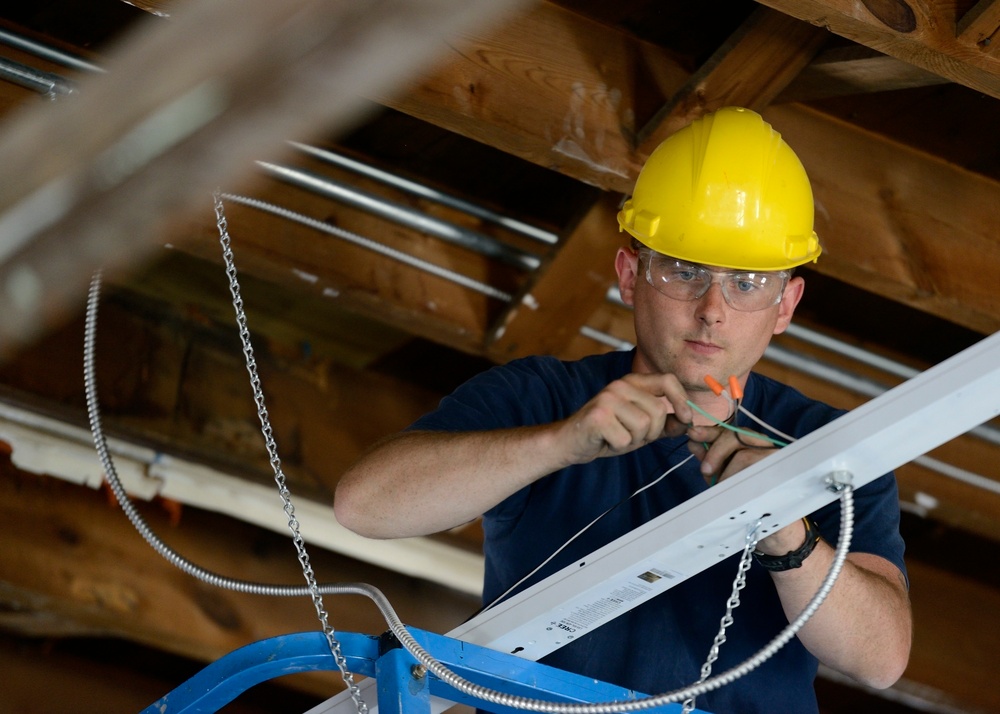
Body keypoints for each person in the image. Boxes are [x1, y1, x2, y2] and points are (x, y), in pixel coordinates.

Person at [334, 106, 911, 713]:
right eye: (685, 270)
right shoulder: (541, 398)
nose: (712, 308)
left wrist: (784, 529)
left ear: (786, 304)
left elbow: (880, 658)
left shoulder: (829, 447)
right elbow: (364, 505)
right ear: (630, 275)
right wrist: (561, 444)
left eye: (746, 283)